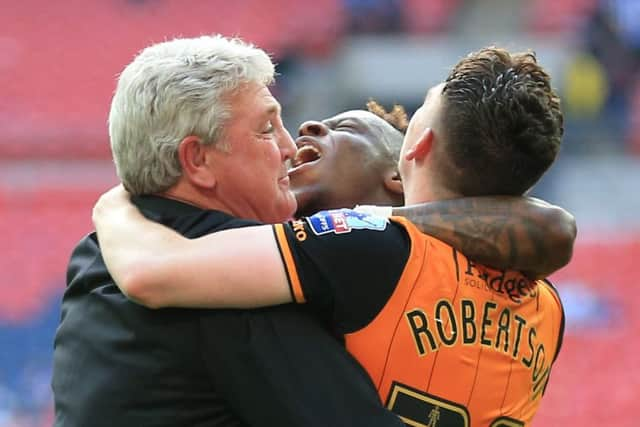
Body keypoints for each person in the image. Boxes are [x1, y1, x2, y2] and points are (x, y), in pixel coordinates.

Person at [93, 46, 571, 427]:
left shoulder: (362, 248)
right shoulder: (548, 310)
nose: (305, 129)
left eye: (422, 107)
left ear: (417, 145)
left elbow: (150, 272)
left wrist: (113, 204)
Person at [52, 35, 405, 427]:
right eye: (267, 128)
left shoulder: (97, 253)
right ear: (198, 160)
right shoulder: (235, 285)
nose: (289, 146)